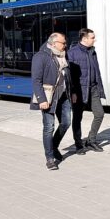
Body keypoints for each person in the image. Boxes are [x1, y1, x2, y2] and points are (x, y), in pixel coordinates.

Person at [30, 32, 72, 170]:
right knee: (49, 127)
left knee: (66, 122)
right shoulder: (41, 56)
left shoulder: (64, 56)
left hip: (64, 95)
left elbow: (67, 77)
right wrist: (41, 99)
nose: (65, 45)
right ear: (53, 43)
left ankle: (53, 146)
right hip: (48, 97)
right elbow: (36, 80)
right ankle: (50, 158)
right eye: (63, 43)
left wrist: (73, 93)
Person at [68, 28, 106, 154]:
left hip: (93, 88)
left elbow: (97, 71)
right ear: (84, 39)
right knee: (77, 117)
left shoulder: (93, 52)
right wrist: (73, 91)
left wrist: (99, 88)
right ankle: (79, 144)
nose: (95, 39)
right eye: (92, 37)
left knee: (99, 114)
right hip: (79, 90)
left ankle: (91, 140)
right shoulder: (72, 53)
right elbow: (70, 76)